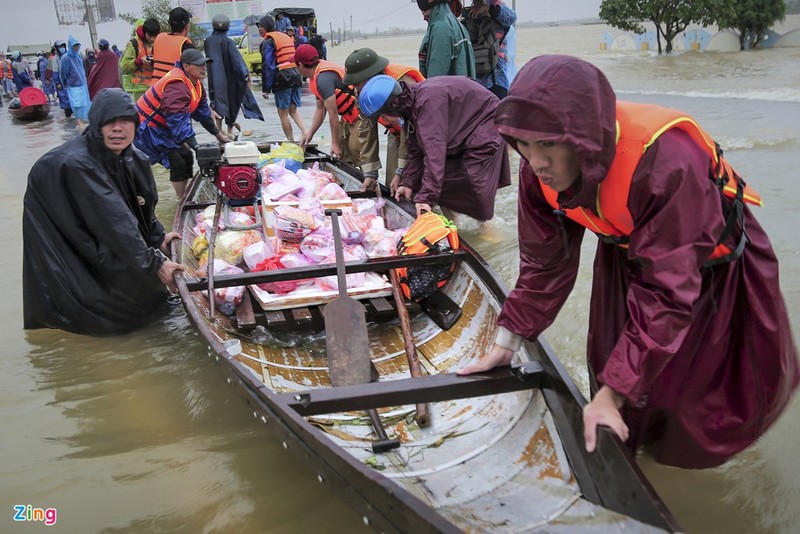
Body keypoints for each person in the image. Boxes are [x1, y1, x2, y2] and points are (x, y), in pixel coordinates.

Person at [459, 55, 800, 469]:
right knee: (613, 369)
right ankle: (621, 442)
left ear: (583, 138)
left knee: (692, 404)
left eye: (548, 143)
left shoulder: (665, 161)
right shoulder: (538, 170)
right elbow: (545, 264)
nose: (537, 162)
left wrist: (613, 392)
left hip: (711, 268)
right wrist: (507, 341)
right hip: (625, 253)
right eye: (524, 145)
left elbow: (669, 292)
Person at [22, 88, 184, 336]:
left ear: (136, 124)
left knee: (149, 296)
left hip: (99, 221)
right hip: (63, 223)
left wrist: (157, 237)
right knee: (96, 298)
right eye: (109, 122)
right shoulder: (78, 164)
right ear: (97, 126)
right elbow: (114, 220)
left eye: (125, 121)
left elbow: (142, 205)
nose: (117, 129)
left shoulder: (135, 158)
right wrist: (155, 263)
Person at [358, 74, 510, 221]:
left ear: (393, 107)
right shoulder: (409, 104)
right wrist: (408, 182)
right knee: (438, 181)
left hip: (487, 122)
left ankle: (489, 230)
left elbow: (434, 155)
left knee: (472, 182)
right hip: (463, 128)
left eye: (384, 116)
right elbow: (416, 151)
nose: (384, 120)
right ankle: (454, 223)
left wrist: (426, 198)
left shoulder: (427, 105)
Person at [134, 49, 230, 198]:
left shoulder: (195, 83)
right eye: (199, 65)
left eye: (205, 64)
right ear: (186, 66)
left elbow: (203, 113)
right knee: (177, 162)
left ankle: (185, 195)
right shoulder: (177, 86)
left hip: (163, 128)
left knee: (186, 155)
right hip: (146, 129)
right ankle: (181, 201)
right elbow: (177, 123)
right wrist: (198, 147)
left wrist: (219, 135)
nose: (203, 68)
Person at [295, 44, 382, 185]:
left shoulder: (323, 79)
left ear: (300, 65)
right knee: (342, 154)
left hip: (360, 115)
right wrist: (309, 133)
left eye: (295, 65)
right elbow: (320, 109)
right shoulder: (315, 77)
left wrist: (334, 143)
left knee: (357, 151)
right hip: (346, 117)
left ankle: (371, 185)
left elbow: (333, 114)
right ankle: (347, 186)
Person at [343, 48, 425, 192]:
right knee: (392, 185)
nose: (355, 88)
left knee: (412, 181)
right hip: (395, 131)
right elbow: (366, 126)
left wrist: (402, 171)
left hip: (419, 132)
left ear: (370, 76)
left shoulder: (401, 82)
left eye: (357, 84)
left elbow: (410, 125)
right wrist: (370, 172)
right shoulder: (363, 91)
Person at [205, 14, 263, 137]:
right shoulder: (228, 42)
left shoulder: (208, 41)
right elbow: (237, 61)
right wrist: (247, 75)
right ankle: (230, 131)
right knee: (232, 103)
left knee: (217, 102)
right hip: (229, 79)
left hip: (214, 79)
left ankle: (219, 131)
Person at [257, 15, 305, 142]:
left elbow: (268, 66)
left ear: (266, 27)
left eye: (260, 27)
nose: (259, 30)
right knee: (293, 110)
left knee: (282, 113)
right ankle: (305, 133)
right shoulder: (285, 36)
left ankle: (291, 141)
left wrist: (266, 89)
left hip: (283, 77)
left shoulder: (268, 41)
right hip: (296, 74)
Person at [461, 0, 516, 98]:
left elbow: (511, 17)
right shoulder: (470, 17)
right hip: (475, 81)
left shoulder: (500, 12)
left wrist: (489, 9)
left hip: (497, 80)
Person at [417, 0, 475, 79]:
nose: (423, 16)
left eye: (423, 10)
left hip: (446, 90)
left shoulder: (441, 29)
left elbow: (436, 78)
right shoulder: (457, 25)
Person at [120, 18, 160, 103]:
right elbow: (124, 65)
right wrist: (138, 61)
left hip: (156, 86)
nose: (152, 39)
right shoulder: (134, 44)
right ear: (145, 33)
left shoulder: (160, 42)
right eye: (150, 36)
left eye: (155, 36)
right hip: (139, 88)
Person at [151, 7, 194, 82]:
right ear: (187, 27)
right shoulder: (186, 46)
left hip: (155, 90)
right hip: (174, 90)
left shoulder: (158, 39)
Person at [60, 36, 91, 127]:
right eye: (75, 46)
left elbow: (82, 69)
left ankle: (81, 120)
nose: (77, 47)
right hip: (73, 84)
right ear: (71, 46)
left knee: (82, 102)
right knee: (76, 103)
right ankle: (79, 122)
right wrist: (65, 82)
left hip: (82, 83)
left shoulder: (78, 56)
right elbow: (63, 72)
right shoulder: (65, 58)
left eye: (78, 45)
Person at [49, 40, 71, 115]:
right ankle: (68, 116)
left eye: (63, 46)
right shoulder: (55, 59)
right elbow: (55, 72)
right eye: (60, 47)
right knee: (65, 99)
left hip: (71, 80)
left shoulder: (69, 55)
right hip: (62, 82)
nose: (62, 48)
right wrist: (57, 82)